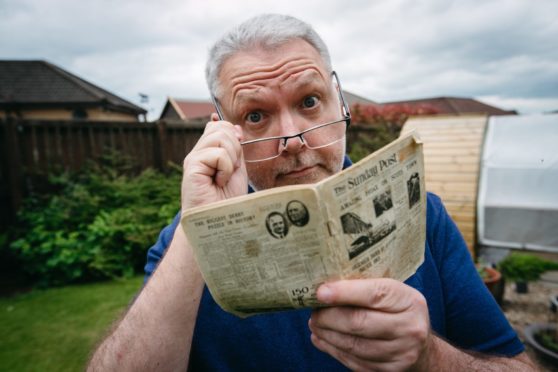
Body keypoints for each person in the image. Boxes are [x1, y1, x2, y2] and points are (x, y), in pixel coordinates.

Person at [88, 14, 535, 371]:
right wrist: (197, 228)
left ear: (338, 104)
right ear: (222, 131)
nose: (293, 138)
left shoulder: (424, 214)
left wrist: (431, 360)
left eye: (308, 102)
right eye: (256, 115)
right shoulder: (181, 244)